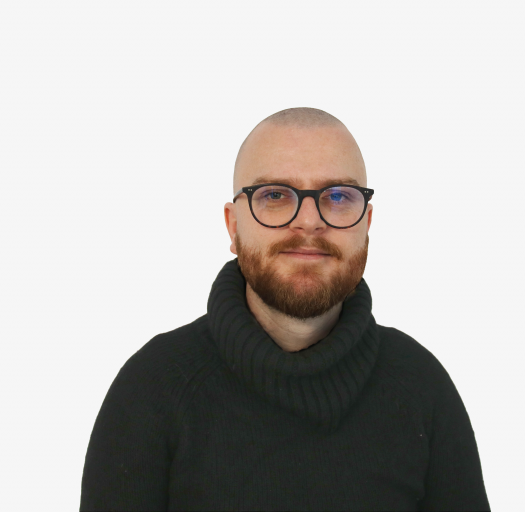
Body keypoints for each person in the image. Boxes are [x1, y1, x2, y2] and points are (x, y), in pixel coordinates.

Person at [80, 107, 490, 511]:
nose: (309, 221)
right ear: (233, 226)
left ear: (366, 225)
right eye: (275, 195)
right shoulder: (152, 389)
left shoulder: (422, 388)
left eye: (338, 196)